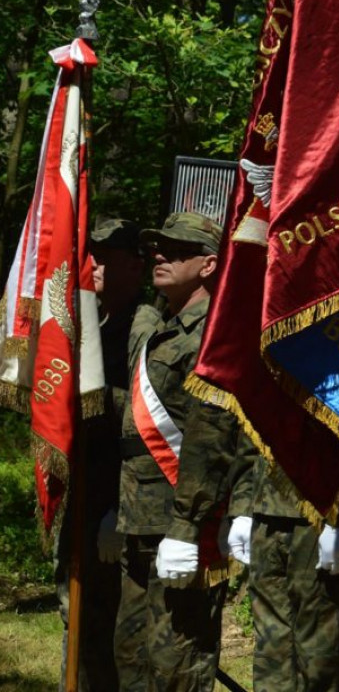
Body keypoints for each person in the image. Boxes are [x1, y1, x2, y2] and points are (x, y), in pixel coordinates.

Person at [219, 299, 339, 692]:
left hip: (324, 517)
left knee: (323, 658)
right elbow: (255, 421)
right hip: (269, 510)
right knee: (271, 651)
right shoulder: (280, 314)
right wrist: (244, 506)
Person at [113, 212, 242, 692]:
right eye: (158, 248)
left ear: (209, 265)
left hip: (185, 522)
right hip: (138, 516)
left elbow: (215, 437)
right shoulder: (160, 323)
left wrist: (190, 527)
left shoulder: (214, 333)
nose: (160, 256)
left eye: (176, 249)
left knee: (176, 663)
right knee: (132, 656)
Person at [55, 219, 145, 691]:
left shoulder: (144, 327)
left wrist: (120, 506)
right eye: (94, 255)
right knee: (80, 624)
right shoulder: (94, 326)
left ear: (135, 264)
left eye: (108, 256)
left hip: (119, 503)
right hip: (83, 499)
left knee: (116, 635)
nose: (97, 266)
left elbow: (147, 426)